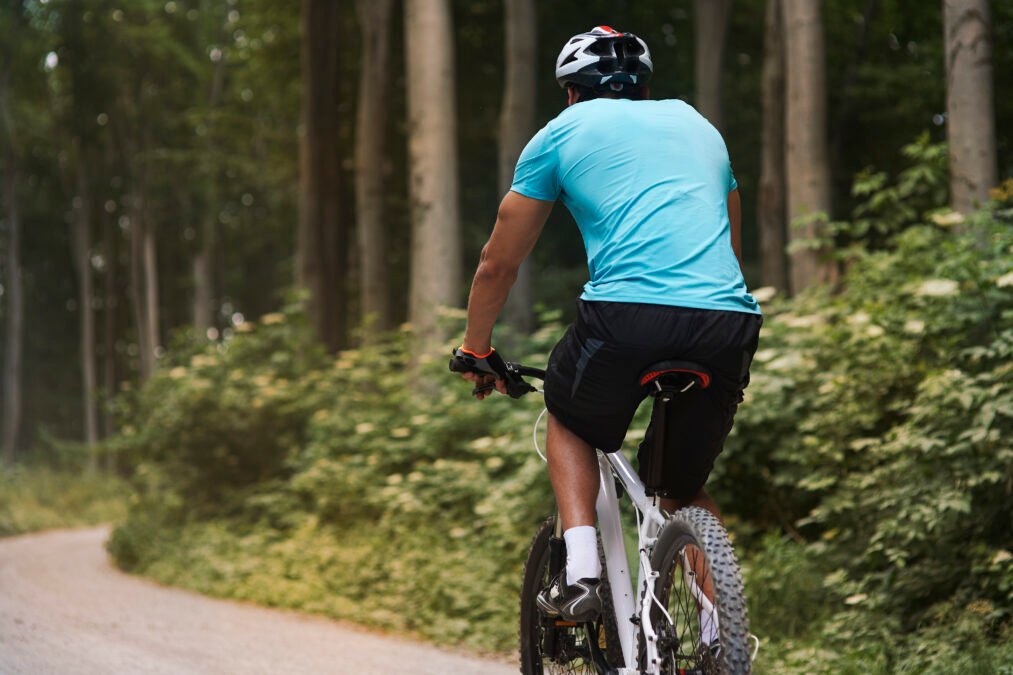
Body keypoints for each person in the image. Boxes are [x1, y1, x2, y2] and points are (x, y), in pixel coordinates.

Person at [451, 26, 761, 629]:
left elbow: (498, 263)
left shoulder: (560, 133)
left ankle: (582, 577)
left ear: (571, 94)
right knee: (680, 486)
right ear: (644, 90)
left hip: (626, 316)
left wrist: (476, 348)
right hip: (728, 321)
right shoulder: (699, 126)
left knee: (569, 414)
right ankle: (723, 638)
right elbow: (731, 245)